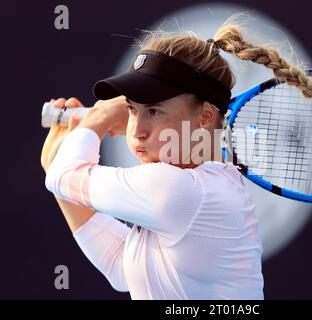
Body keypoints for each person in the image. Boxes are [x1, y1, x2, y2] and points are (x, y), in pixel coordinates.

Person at [41, 19, 267, 300]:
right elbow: (122, 266)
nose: (137, 131)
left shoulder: (179, 190)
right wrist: (59, 165)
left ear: (206, 116)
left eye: (155, 111)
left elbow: (64, 175)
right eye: (133, 110)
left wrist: (99, 118)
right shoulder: (204, 190)